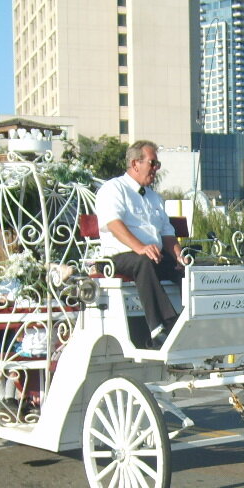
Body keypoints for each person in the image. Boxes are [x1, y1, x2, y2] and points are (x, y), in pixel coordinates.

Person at [93, 140, 185, 348]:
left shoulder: (155, 198)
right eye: (153, 163)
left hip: (152, 257)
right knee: (144, 261)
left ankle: (192, 318)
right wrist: (140, 247)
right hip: (119, 256)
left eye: (157, 165)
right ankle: (160, 326)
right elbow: (114, 224)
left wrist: (180, 256)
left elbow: (167, 234)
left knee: (186, 270)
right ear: (135, 164)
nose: (156, 169)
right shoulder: (113, 189)